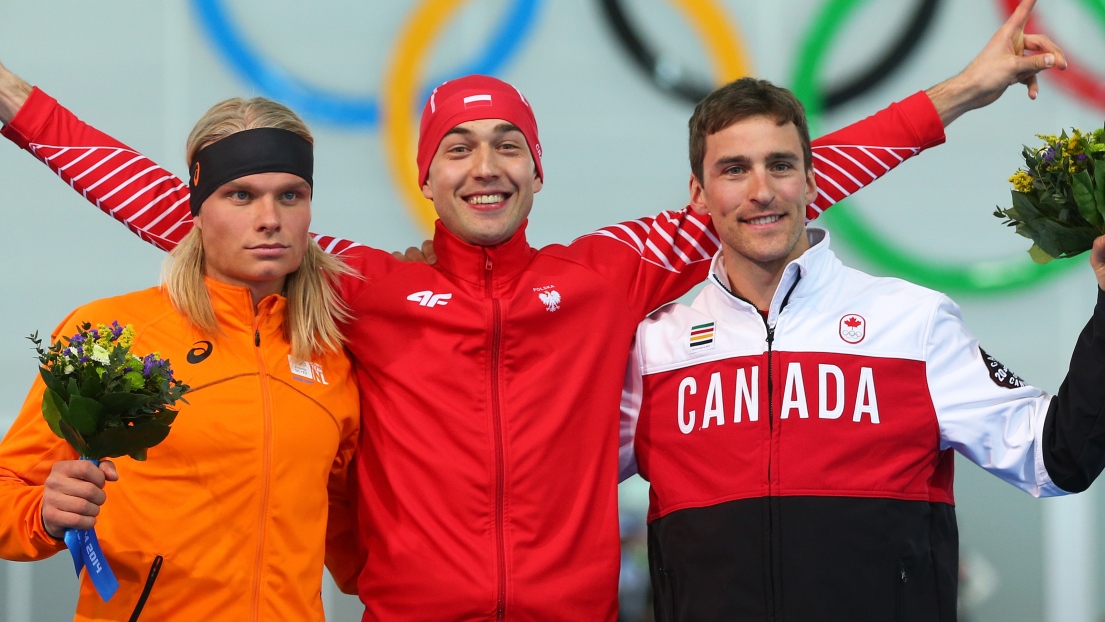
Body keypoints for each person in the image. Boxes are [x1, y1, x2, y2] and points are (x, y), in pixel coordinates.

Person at [0, 1, 1065, 617]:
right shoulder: (363, 286)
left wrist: (962, 91)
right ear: (428, 176)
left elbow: (783, 181)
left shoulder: (607, 272)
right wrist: (17, 107)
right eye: (458, 147)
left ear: (537, 171)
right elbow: (174, 203)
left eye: (507, 143)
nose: (484, 163)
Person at [618, 74, 1105, 621]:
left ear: (811, 181)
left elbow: (1057, 457)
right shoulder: (653, 347)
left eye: (780, 165)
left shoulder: (911, 322)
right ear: (698, 195)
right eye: (734, 169)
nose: (761, 190)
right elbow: (538, 482)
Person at [0, 97, 362, 620]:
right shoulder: (111, 335)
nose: (269, 219)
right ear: (196, 207)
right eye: (241, 195)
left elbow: (357, 548)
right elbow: (9, 490)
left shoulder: (335, 359)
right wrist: (44, 513)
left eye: (291, 195)